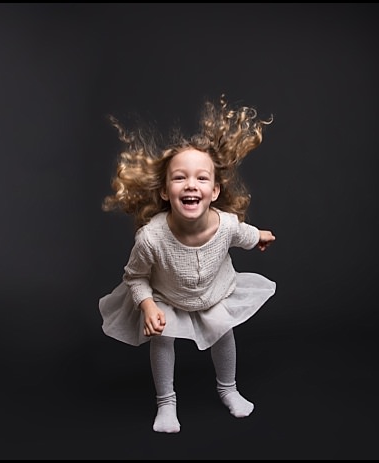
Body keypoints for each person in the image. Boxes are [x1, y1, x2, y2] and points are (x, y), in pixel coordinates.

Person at [98, 95, 277, 433]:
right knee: (161, 338)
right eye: (180, 178)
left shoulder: (225, 224)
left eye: (201, 179)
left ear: (214, 190)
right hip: (168, 295)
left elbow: (242, 233)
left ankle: (229, 389)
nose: (191, 184)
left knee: (224, 333)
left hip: (214, 292)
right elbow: (135, 277)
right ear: (165, 191)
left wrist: (259, 238)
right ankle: (166, 402)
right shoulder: (151, 238)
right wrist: (149, 306)